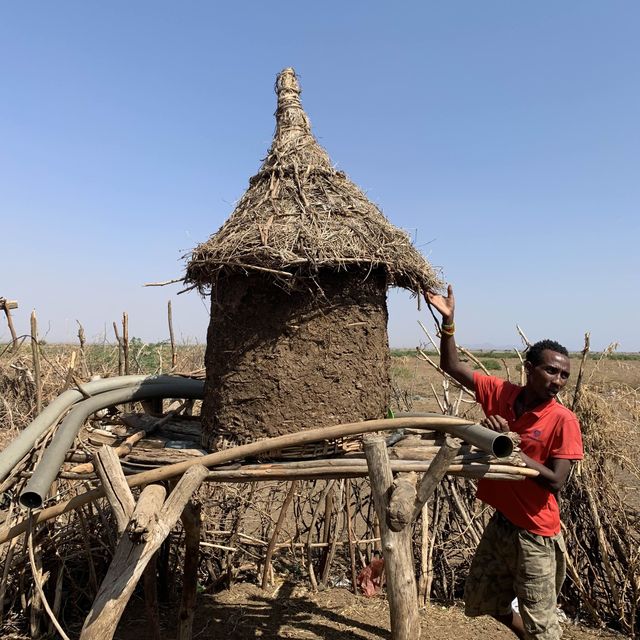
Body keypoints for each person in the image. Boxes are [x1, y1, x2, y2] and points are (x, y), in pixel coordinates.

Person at [426, 284, 584, 640]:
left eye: (563, 375)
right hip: (503, 525)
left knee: (544, 627)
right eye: (550, 371)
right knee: (485, 600)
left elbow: (557, 481)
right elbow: (450, 365)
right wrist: (448, 322)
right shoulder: (503, 395)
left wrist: (511, 450)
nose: (557, 381)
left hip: (536, 534)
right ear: (529, 369)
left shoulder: (563, 420)